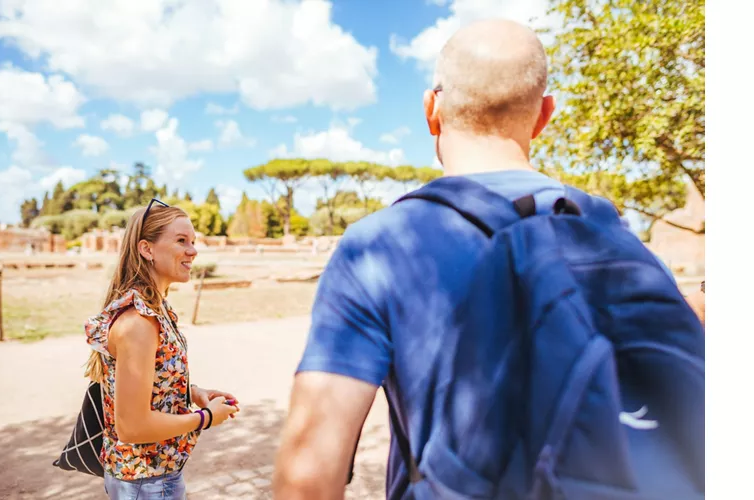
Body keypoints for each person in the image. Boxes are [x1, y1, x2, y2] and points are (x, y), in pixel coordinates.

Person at [273, 19, 704, 500]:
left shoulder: (379, 245)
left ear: (431, 110)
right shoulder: (614, 234)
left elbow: (308, 479)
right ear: (544, 115)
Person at [84, 199, 240, 499]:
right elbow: (132, 426)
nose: (193, 251)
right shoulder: (138, 323)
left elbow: (148, 380)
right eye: (181, 241)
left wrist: (194, 393)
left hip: (151, 479)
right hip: (147, 483)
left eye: (193, 242)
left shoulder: (153, 309)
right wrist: (206, 417)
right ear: (147, 249)